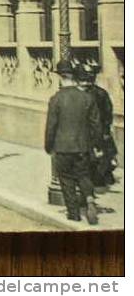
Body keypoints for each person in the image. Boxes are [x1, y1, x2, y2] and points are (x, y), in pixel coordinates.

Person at [45, 60, 100, 224]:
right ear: (74, 78)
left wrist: (49, 146)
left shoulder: (56, 99)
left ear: (61, 78)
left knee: (67, 179)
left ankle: (73, 213)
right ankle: (90, 199)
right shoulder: (87, 98)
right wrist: (93, 144)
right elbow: (96, 125)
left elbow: (51, 126)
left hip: (62, 147)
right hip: (82, 147)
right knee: (83, 175)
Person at [77, 61, 116, 189]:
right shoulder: (101, 92)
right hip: (99, 129)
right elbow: (108, 112)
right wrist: (106, 129)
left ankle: (99, 177)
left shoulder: (84, 94)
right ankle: (103, 176)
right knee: (103, 154)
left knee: (93, 156)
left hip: (90, 130)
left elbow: (106, 112)